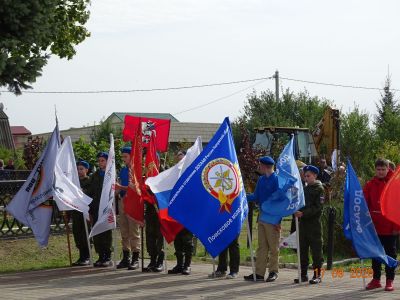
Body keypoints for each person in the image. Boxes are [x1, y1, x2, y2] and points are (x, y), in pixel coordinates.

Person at [364, 158, 399, 292]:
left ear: (388, 168)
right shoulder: (370, 184)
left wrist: (397, 227)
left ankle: (389, 281)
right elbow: (364, 203)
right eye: (378, 169)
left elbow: (398, 207)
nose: (380, 172)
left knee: (390, 254)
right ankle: (376, 279)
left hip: (390, 227)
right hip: (374, 227)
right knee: (375, 254)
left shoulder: (394, 184)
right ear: (375, 170)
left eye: (383, 169)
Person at [244, 156, 280, 282]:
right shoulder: (261, 179)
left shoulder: (277, 180)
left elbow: (280, 201)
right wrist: (242, 196)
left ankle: (273, 272)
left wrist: (278, 220)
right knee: (262, 247)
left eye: (260, 165)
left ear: (265, 166)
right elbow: (256, 196)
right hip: (262, 217)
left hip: (273, 218)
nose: (258, 167)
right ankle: (259, 273)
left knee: (273, 247)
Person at [294, 165, 324, 284]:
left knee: (316, 251)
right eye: (305, 176)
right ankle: (303, 274)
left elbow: (318, 208)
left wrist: (303, 213)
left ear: (315, 176)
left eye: (308, 176)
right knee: (303, 249)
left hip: (314, 225)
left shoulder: (319, 189)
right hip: (303, 225)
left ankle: (317, 275)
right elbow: (301, 203)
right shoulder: (304, 189)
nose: (306, 178)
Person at [168, 150, 194, 276]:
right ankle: (179, 264)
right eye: (178, 160)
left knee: (187, 240)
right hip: (176, 211)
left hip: (188, 211)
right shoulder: (174, 174)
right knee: (177, 238)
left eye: (182, 159)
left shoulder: (192, 174)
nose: (179, 162)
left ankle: (187, 265)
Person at [115, 146, 141, 270]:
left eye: (126, 156)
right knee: (124, 231)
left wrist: (120, 186)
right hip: (122, 201)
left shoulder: (137, 170)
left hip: (133, 203)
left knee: (133, 231)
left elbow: (136, 188)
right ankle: (126, 257)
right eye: (122, 156)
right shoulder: (123, 170)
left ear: (132, 156)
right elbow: (119, 185)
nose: (123, 159)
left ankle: (136, 258)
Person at [87, 152, 113, 267]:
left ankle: (107, 256)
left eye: (103, 160)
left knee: (106, 232)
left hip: (106, 207)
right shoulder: (95, 175)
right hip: (96, 207)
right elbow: (90, 191)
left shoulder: (111, 174)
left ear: (108, 161)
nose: (100, 162)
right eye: (99, 160)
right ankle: (100, 255)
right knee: (97, 232)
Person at [71, 160, 92, 266]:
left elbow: (90, 194)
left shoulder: (89, 181)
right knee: (77, 233)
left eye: (81, 169)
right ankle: (81, 256)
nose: (79, 171)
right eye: (77, 169)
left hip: (85, 211)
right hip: (76, 212)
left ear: (86, 170)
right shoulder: (74, 182)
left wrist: (82, 192)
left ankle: (87, 256)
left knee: (85, 233)